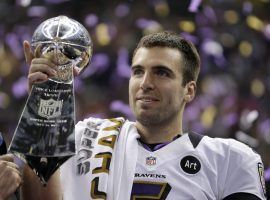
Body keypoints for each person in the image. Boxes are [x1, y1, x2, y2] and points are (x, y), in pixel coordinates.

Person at [18, 31, 267, 199]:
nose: (145, 83)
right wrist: (44, 113)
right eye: (138, 72)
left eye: (162, 73)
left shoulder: (229, 160)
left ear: (189, 90)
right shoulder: (85, 137)